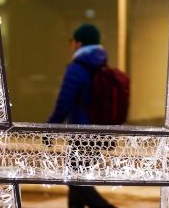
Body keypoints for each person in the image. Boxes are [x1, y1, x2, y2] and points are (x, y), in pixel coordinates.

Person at [48, 23, 116, 208]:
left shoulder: (77, 68)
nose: (70, 44)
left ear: (79, 43)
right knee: (76, 183)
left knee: (77, 182)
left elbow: (64, 104)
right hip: (97, 133)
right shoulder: (101, 65)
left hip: (81, 136)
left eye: (72, 40)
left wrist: (50, 129)